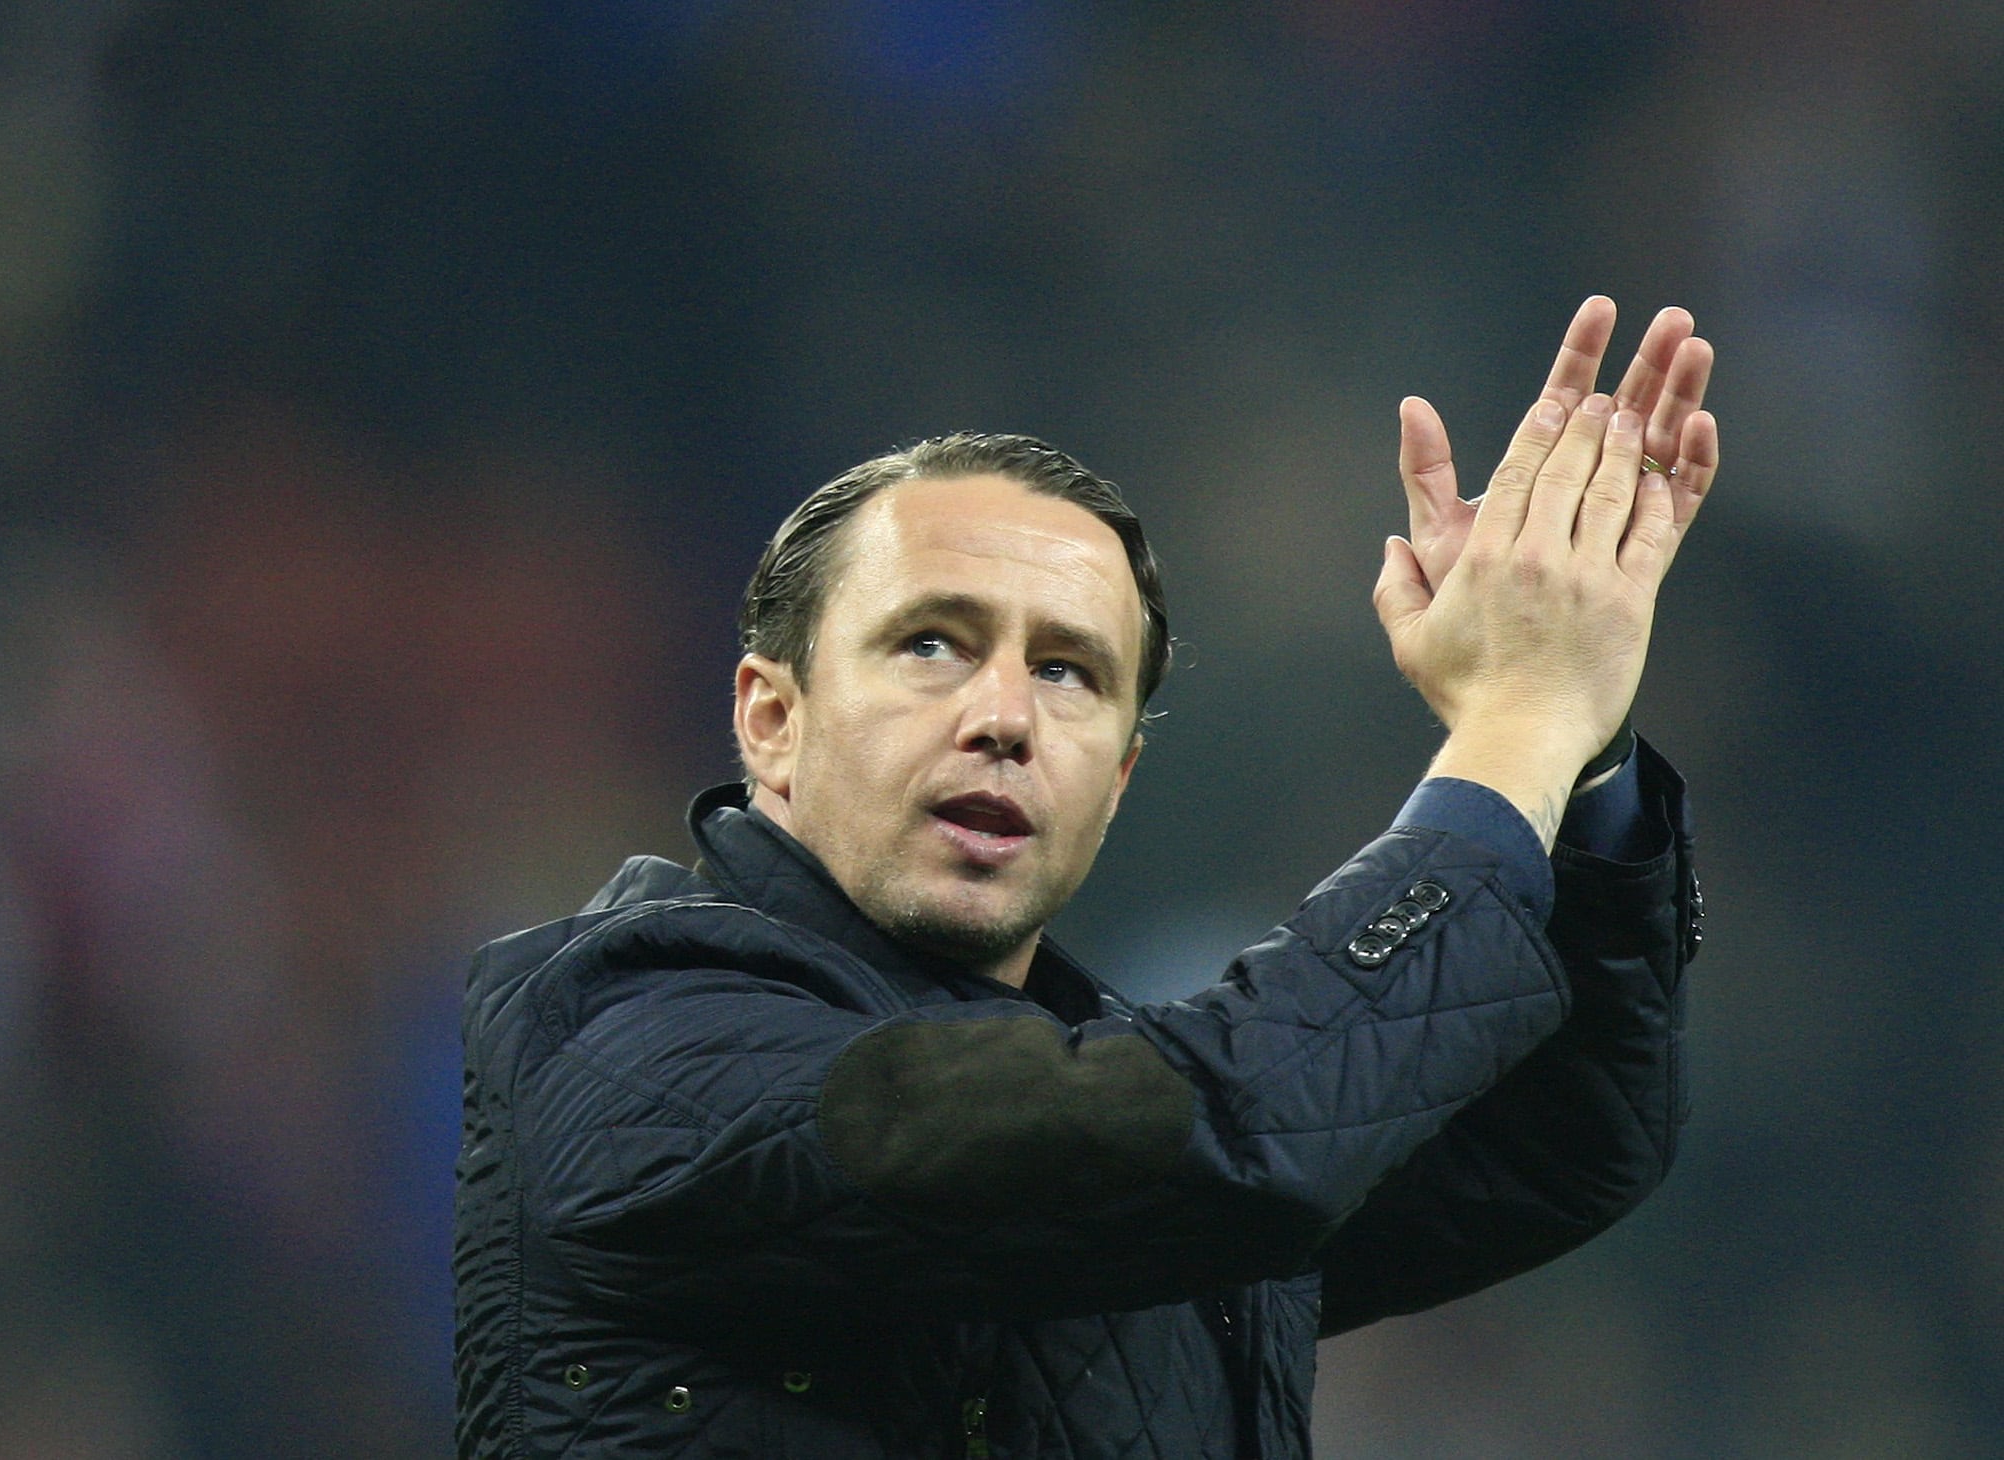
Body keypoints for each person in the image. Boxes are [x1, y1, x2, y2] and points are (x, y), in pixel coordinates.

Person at [454, 296, 1718, 1458]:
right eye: (933, 642)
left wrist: (1581, 743)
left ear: (1115, 777)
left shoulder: (1124, 1098)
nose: (1005, 714)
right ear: (771, 719)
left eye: (1068, 671)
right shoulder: (636, 1035)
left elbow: (1559, 1140)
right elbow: (1234, 1132)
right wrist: (1514, 722)